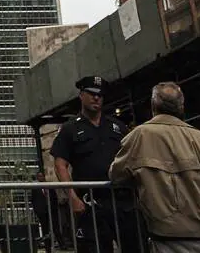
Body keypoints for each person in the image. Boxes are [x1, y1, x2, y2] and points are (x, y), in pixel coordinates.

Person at [109, 82, 200, 253]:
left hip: (165, 236)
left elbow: (116, 175)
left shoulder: (139, 137)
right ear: (181, 106)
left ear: (153, 106)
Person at [50, 75, 142, 253]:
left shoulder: (117, 127)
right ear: (81, 95)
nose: (96, 98)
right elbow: (60, 164)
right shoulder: (70, 128)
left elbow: (133, 158)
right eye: (91, 94)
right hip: (91, 204)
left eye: (100, 95)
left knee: (135, 246)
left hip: (122, 202)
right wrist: (72, 198)